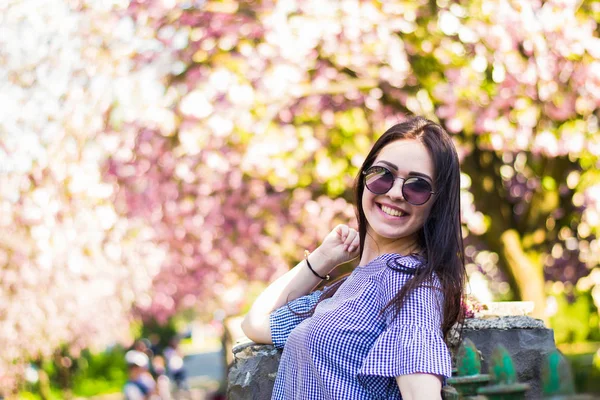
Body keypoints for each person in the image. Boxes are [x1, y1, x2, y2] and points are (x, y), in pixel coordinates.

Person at [242, 116, 466, 399]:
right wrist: (322, 259)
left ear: (437, 204)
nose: (395, 193)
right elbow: (256, 323)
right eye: (383, 174)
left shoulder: (409, 284)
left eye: (417, 186)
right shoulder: (349, 286)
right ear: (364, 179)